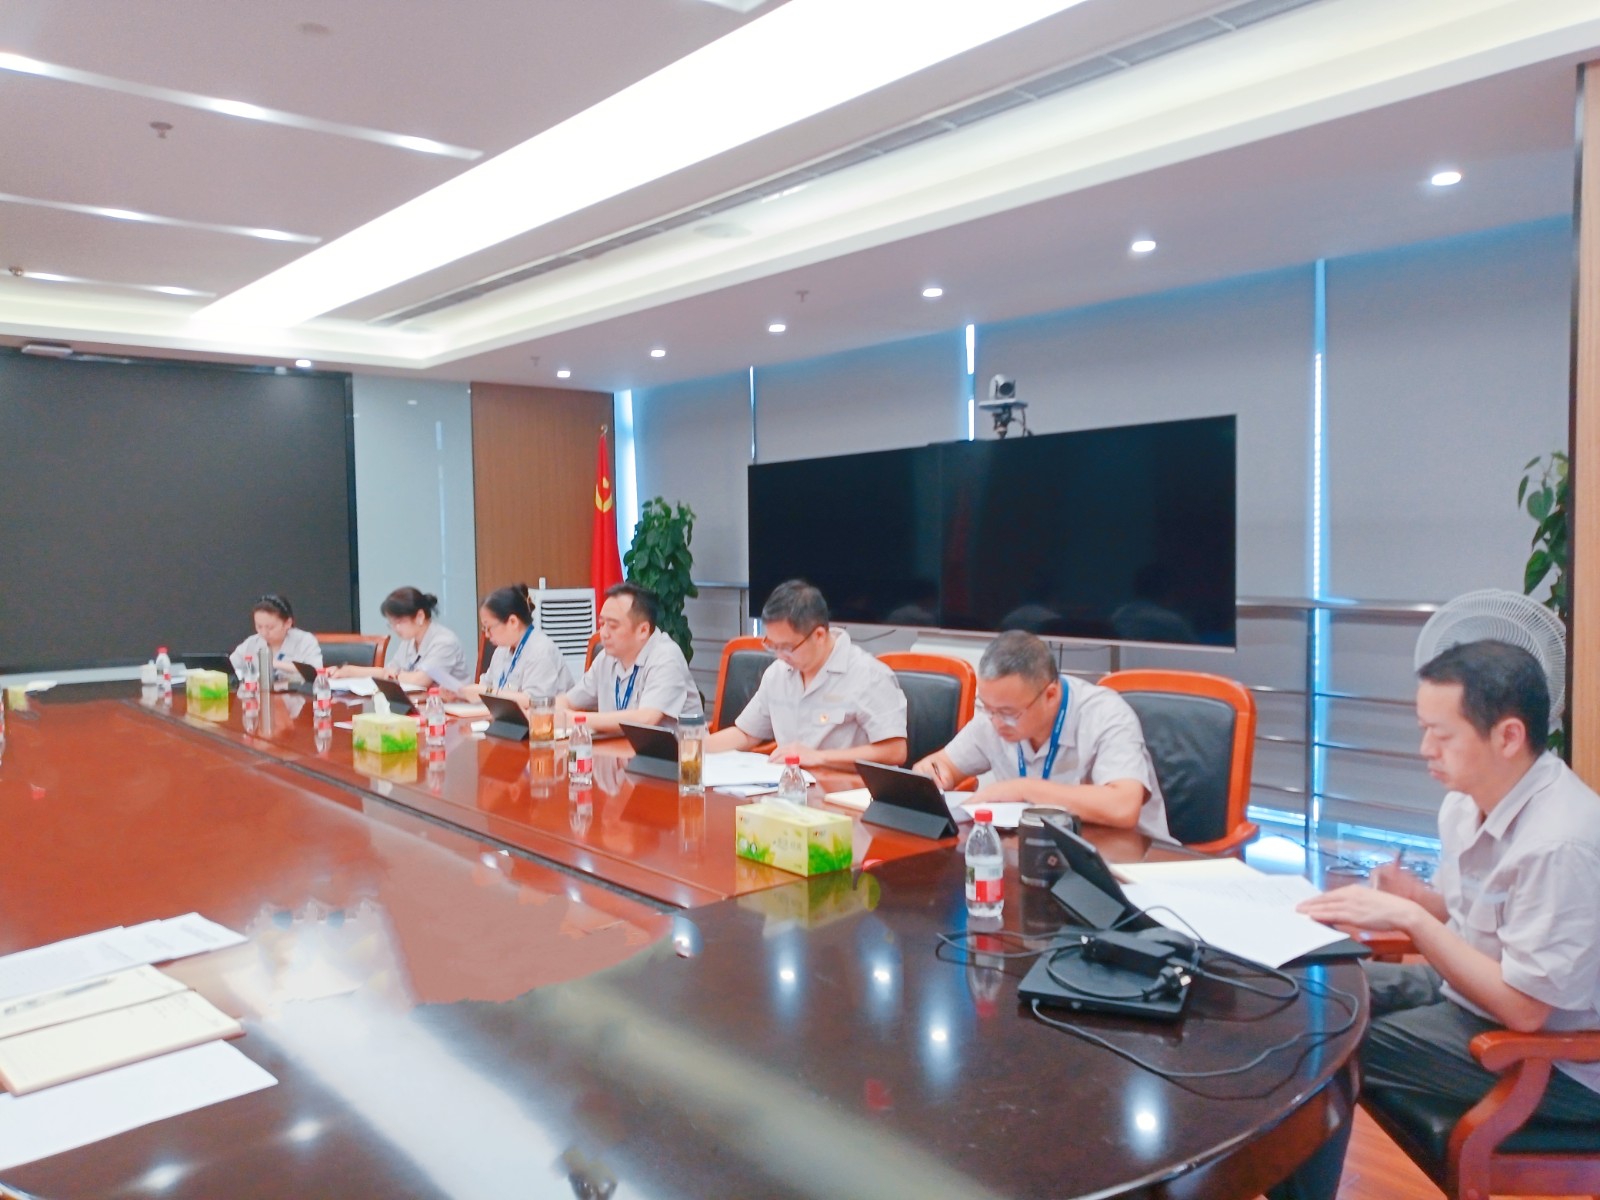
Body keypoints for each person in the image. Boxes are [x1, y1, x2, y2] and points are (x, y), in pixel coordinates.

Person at [1280, 640, 1600, 1200]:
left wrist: (1411, 918)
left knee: (1322, 1046)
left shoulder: (1561, 842)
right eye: (1424, 729)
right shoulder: (1466, 801)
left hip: (1558, 1060)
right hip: (1471, 996)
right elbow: (1472, 910)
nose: (1425, 749)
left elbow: (1526, 1011)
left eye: (1442, 734)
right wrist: (1416, 898)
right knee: (1306, 990)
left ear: (1508, 736)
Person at [913, 630, 1169, 838]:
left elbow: (1123, 807)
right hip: (1045, 853)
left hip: (1133, 860)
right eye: (987, 708)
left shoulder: (1105, 714)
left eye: (1009, 713)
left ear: (1051, 695)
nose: (996, 722)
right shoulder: (993, 715)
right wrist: (934, 775)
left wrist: (1024, 789)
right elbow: (944, 764)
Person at [703, 579, 907, 767]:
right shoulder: (777, 673)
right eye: (772, 646)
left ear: (818, 635)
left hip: (845, 787)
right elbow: (747, 734)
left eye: (787, 647)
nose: (780, 656)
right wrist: (694, 748)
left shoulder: (869, 674)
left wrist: (820, 757)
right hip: (790, 785)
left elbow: (895, 751)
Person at [558, 582, 702, 734]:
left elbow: (646, 719)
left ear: (643, 630)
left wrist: (578, 719)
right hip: (617, 746)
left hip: (677, 748)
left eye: (613, 626)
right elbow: (567, 700)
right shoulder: (606, 658)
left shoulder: (666, 657)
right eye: (602, 624)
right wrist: (556, 711)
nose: (603, 634)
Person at [330, 587, 469, 687]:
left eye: (400, 622)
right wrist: (350, 671)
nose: (396, 629)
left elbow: (420, 680)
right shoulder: (410, 640)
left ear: (420, 616)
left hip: (453, 709)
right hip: (421, 704)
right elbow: (387, 672)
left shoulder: (444, 641)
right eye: (392, 623)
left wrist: (394, 676)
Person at [460, 584, 573, 703]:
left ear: (513, 622)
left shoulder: (541, 651)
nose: (487, 635)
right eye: (484, 629)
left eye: (489, 628)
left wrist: (487, 692)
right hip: (506, 714)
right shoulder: (501, 650)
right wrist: (462, 693)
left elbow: (533, 701)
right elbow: (485, 686)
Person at [229, 593, 323, 688]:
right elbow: (230, 666)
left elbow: (316, 672)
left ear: (288, 623)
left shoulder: (305, 640)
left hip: (298, 695)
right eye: (259, 626)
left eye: (270, 627)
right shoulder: (252, 642)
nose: (264, 633)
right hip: (259, 695)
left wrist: (276, 664)